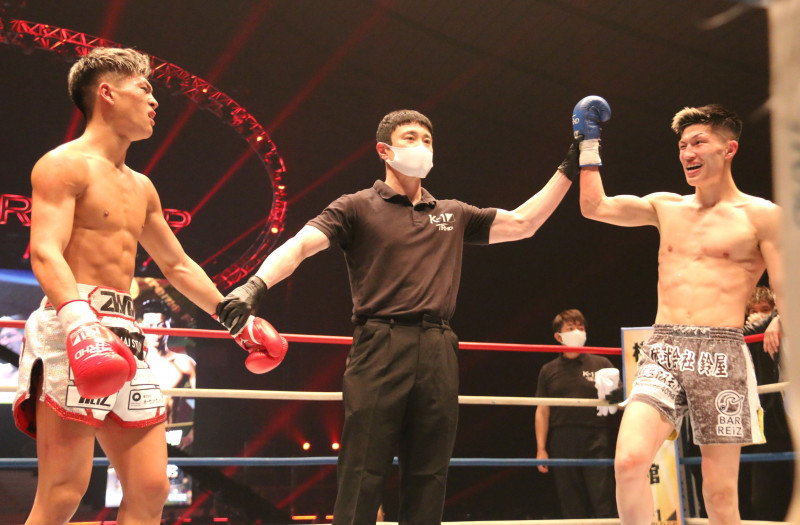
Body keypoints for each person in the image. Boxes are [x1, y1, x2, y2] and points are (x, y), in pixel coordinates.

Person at [216, 109, 578, 525]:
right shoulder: (356, 206)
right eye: (410, 138)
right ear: (384, 150)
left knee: (429, 473)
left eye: (428, 139)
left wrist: (571, 163)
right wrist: (255, 286)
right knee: (362, 469)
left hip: (439, 347)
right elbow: (300, 245)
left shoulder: (453, 212)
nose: (422, 146)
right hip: (379, 344)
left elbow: (525, 223)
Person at [13, 47, 284, 525]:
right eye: (144, 89)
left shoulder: (141, 186)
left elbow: (177, 265)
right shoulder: (62, 164)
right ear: (107, 93)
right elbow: (45, 252)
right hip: (72, 324)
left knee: (151, 487)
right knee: (62, 492)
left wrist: (235, 319)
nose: (155, 101)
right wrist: (79, 322)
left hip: (128, 332)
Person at [575, 97, 783, 525]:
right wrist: (588, 145)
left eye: (698, 142)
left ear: (729, 148)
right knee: (629, 461)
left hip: (722, 355)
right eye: (683, 145)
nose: (688, 152)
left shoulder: (763, 216)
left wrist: (781, 319)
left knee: (720, 496)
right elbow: (595, 207)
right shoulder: (666, 206)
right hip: (664, 349)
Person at [534, 309, 617, 518]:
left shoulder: (601, 364)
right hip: (562, 438)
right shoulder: (548, 370)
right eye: (571, 328)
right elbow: (542, 410)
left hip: (595, 437)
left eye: (581, 327)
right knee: (570, 501)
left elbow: (620, 401)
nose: (578, 332)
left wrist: (612, 394)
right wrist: (541, 449)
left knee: (603, 498)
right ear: (558, 337)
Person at [738, 286, 792, 520]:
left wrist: (776, 319)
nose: (759, 314)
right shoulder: (744, 335)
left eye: (765, 309)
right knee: (759, 488)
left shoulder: (783, 326)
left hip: (782, 413)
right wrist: (770, 320)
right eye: (754, 311)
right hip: (757, 417)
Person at [139, 298, 197, 449]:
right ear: (141, 326)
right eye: (150, 326)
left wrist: (192, 434)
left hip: (169, 438)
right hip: (136, 436)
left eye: (161, 325)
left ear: (169, 324)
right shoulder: (132, 362)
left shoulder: (184, 363)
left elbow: (206, 402)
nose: (157, 332)